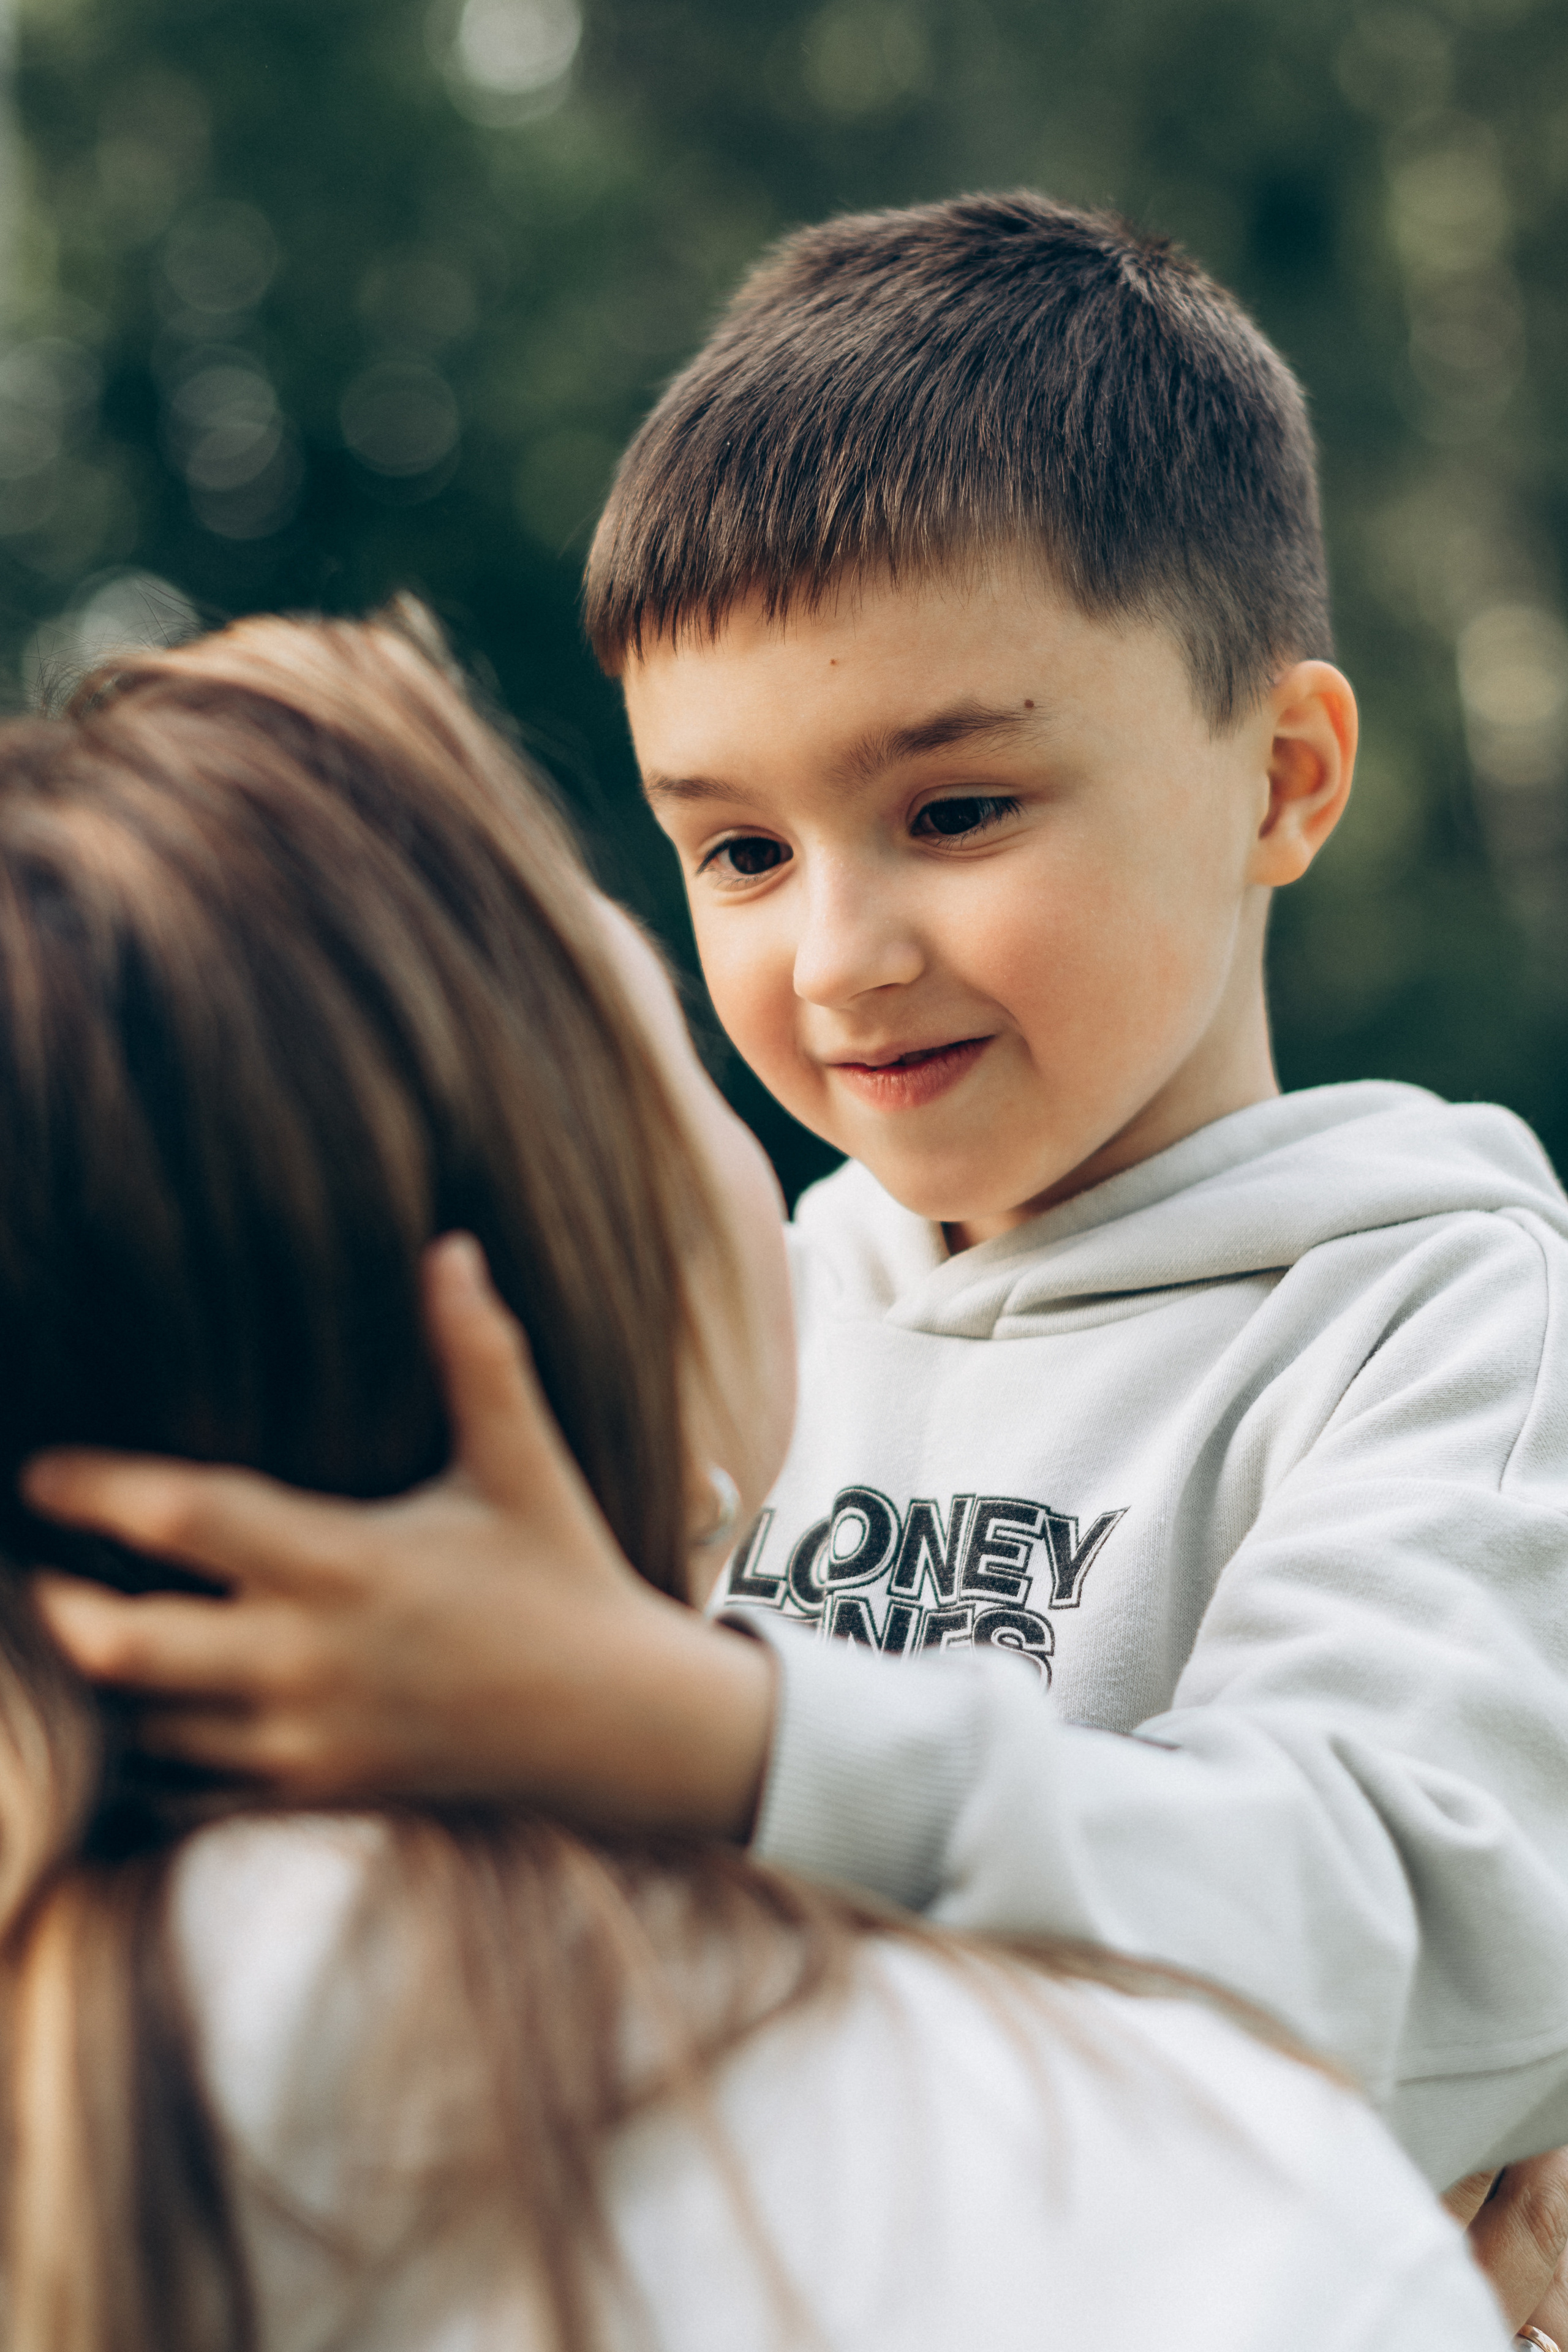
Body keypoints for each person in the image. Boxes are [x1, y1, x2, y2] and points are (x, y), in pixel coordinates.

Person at [26, 197, 1568, 2337]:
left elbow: (1412, 1959)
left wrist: (708, 1738)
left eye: (954, 812)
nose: (834, 954)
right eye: (736, 850)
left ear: (1283, 780)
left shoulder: (1439, 1325)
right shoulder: (746, 1319)